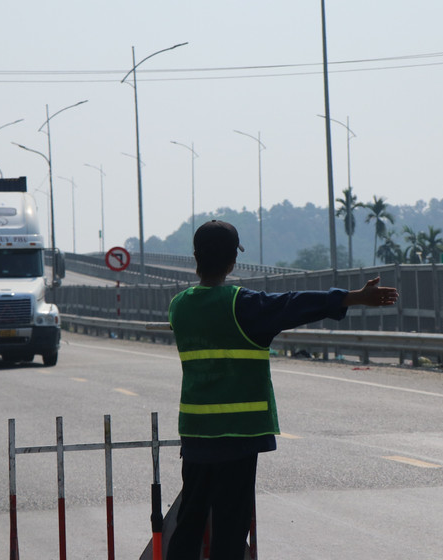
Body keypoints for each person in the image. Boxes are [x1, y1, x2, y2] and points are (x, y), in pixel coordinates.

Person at [165, 220, 399, 560]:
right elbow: (295, 303)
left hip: (196, 435)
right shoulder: (242, 306)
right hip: (238, 438)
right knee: (230, 529)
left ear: (196, 259)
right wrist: (355, 297)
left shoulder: (179, 306)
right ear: (232, 262)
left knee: (190, 522)